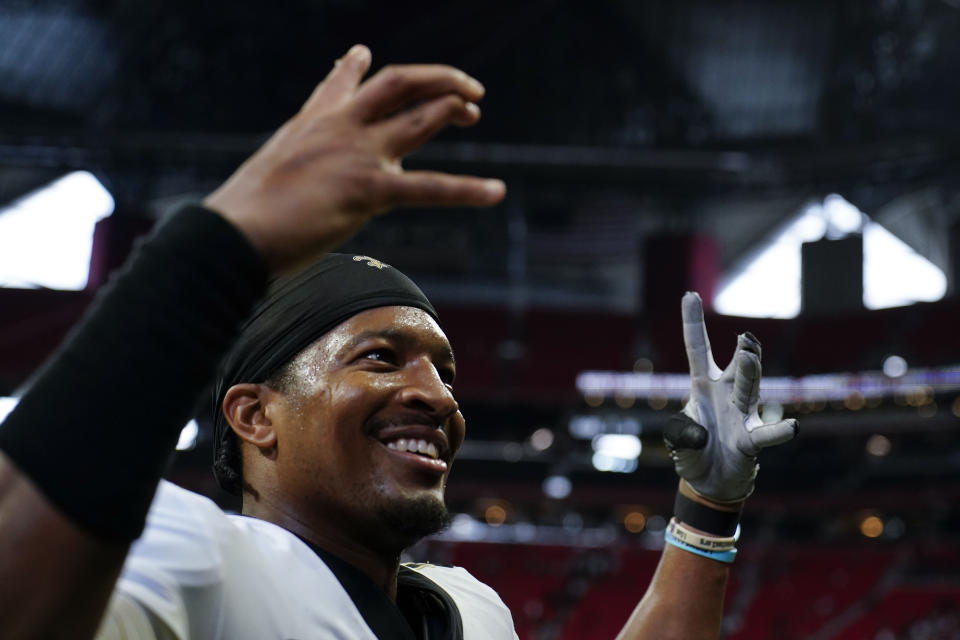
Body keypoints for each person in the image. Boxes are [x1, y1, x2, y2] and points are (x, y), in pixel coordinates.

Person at [0, 45, 797, 639]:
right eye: (379, 357)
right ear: (253, 416)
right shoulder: (190, 549)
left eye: (445, 370)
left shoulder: (473, 609)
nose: (437, 393)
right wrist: (216, 246)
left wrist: (709, 510)